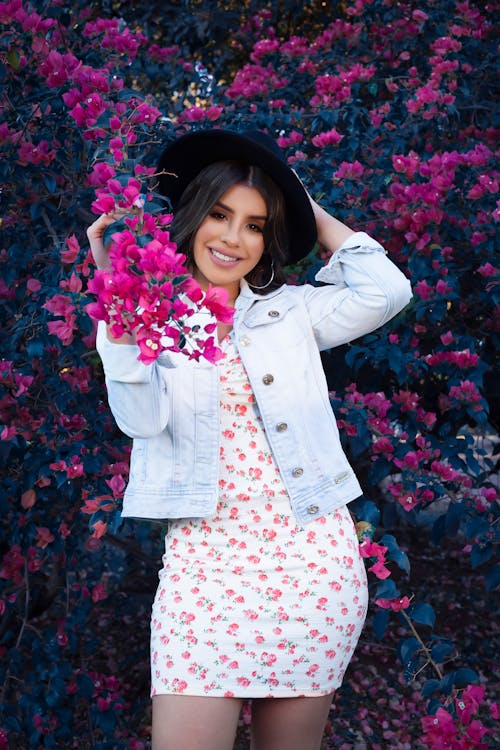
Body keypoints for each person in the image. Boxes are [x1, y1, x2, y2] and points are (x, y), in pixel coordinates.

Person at [87, 128, 412, 750]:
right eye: (219, 214)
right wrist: (118, 309)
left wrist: (298, 201)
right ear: (190, 217)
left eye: (256, 225)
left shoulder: (290, 312)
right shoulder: (153, 320)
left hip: (311, 565)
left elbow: (387, 290)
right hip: (204, 573)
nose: (234, 239)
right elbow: (140, 422)